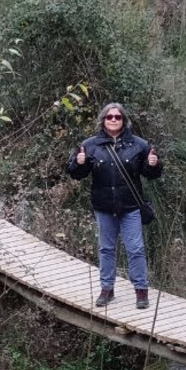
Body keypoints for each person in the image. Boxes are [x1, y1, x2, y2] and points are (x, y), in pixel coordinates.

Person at [65, 102, 163, 309]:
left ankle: (141, 292)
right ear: (103, 120)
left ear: (124, 120)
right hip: (104, 207)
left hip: (131, 207)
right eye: (109, 117)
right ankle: (106, 290)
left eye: (118, 117)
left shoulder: (139, 145)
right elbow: (76, 174)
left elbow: (151, 173)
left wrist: (153, 164)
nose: (113, 120)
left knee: (135, 249)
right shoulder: (90, 145)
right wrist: (79, 162)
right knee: (106, 249)